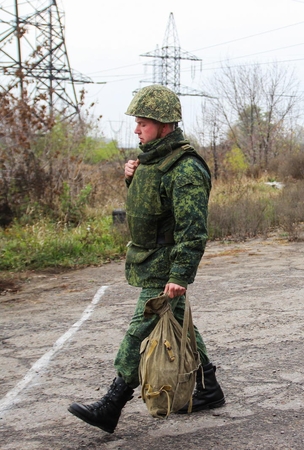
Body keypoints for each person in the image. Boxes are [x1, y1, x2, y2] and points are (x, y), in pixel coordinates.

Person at [68, 85, 225, 434]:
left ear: (165, 125)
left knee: (139, 331)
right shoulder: (151, 162)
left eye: (142, 123)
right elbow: (152, 210)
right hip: (151, 261)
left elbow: (193, 230)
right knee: (180, 323)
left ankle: (112, 403)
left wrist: (181, 274)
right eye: (137, 123)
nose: (136, 129)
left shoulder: (185, 170)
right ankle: (210, 388)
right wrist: (131, 181)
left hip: (165, 267)